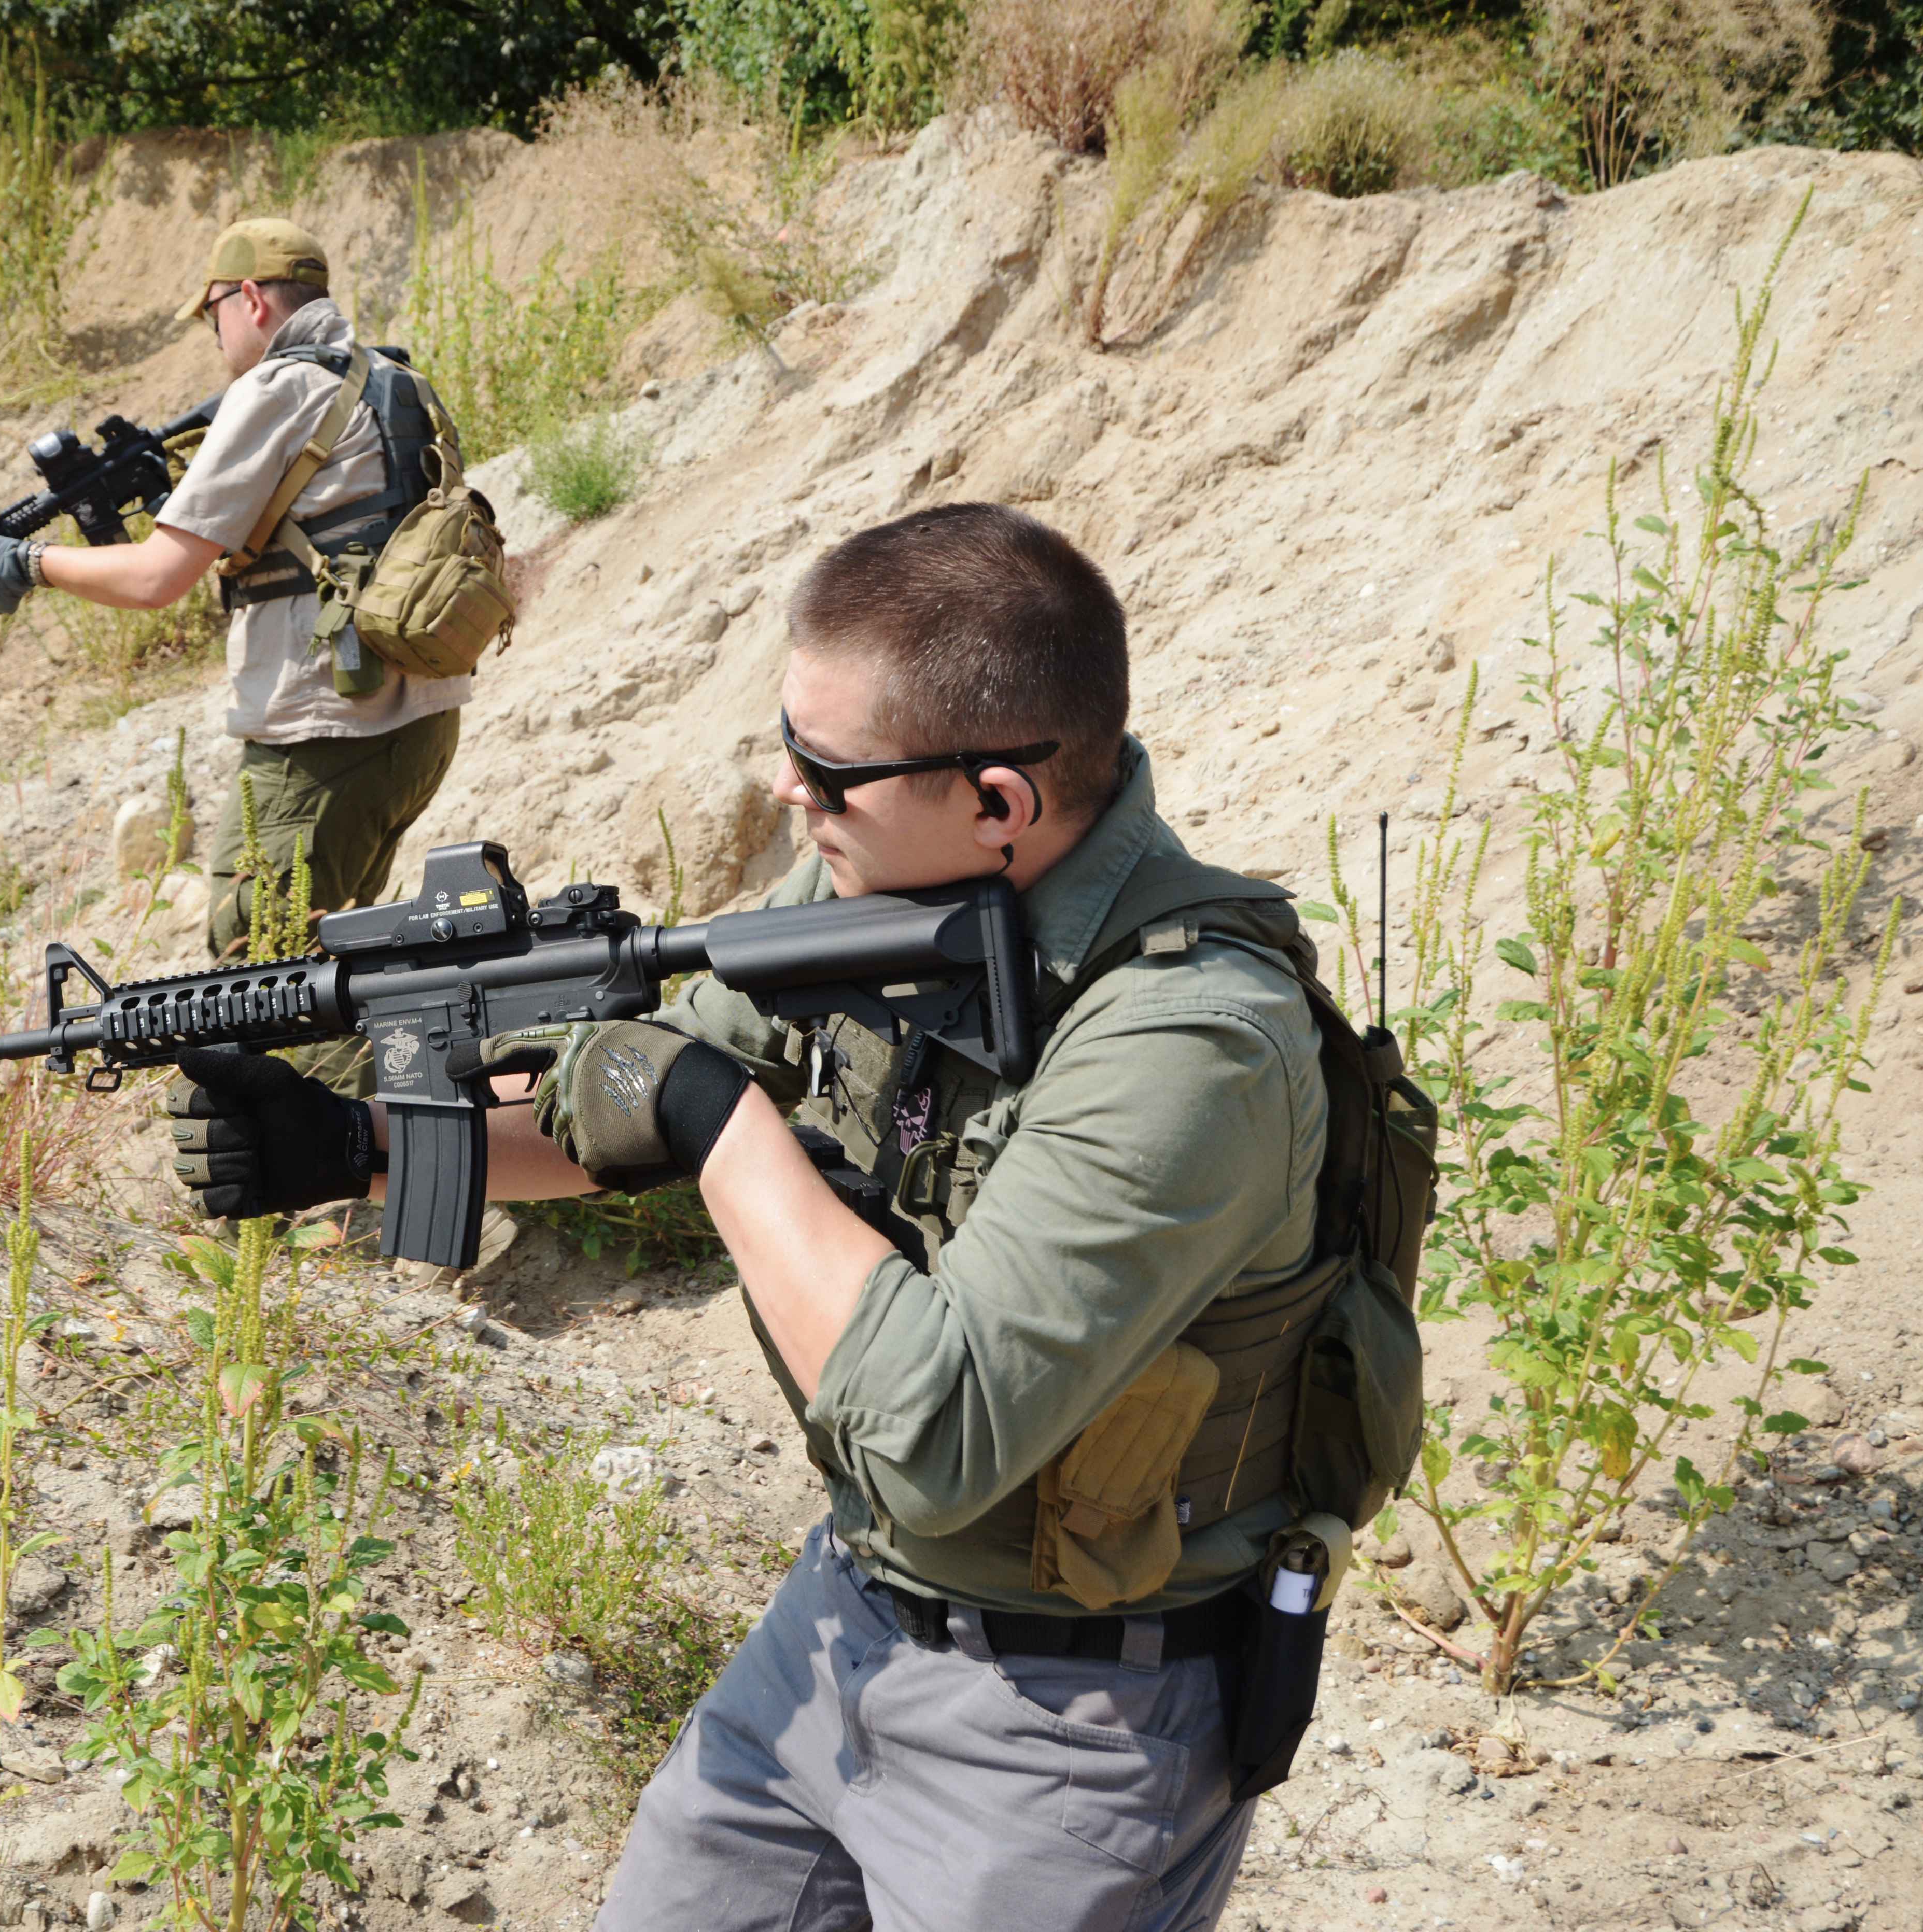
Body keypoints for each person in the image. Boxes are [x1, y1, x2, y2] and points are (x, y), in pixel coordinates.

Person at [164, 502, 1388, 1932]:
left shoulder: (1192, 1046)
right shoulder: (884, 874)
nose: (789, 794)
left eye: (826, 771)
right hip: (847, 1616)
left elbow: (934, 1435)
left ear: (998, 800)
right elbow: (645, 1089)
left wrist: (711, 1116)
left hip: (1075, 1723)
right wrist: (361, 1144)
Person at [0, 218, 473, 963]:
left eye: (212, 314)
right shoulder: (391, 378)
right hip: (417, 721)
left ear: (253, 299)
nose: (214, 333)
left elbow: (154, 578)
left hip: (322, 735)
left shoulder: (277, 388)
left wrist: (29, 562)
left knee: (261, 972)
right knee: (343, 967)